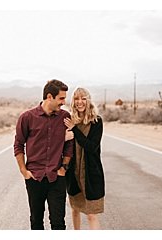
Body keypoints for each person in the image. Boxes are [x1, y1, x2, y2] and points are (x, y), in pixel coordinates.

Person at [14, 79, 74, 230]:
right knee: (36, 221)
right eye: (61, 98)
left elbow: (69, 145)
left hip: (57, 177)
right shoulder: (27, 117)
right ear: (49, 97)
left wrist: (64, 168)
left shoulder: (65, 117)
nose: (63, 102)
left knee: (58, 223)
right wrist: (24, 171)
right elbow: (19, 145)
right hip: (35, 177)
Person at [64, 87, 105, 230]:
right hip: (73, 174)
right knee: (75, 210)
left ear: (88, 100)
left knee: (91, 214)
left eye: (83, 98)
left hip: (90, 175)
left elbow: (91, 147)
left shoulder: (96, 121)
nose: (80, 102)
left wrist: (75, 129)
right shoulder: (69, 120)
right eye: (76, 99)